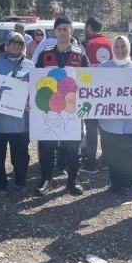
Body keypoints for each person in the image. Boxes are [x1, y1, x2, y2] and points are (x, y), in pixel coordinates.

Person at [32, 16, 88, 197]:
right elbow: (36, 80)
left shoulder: (80, 56)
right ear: (55, 32)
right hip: (49, 108)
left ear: (72, 32)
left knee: (73, 147)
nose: (63, 32)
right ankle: (46, 179)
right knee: (47, 146)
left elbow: (89, 80)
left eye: (66, 29)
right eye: (60, 29)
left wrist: (83, 86)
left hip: (73, 108)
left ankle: (72, 180)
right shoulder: (45, 54)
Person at [0, 32, 34, 196]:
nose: (16, 45)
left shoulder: (30, 65)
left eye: (20, 43)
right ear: (7, 43)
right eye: (13, 42)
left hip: (20, 120)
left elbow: (35, 89)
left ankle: (20, 181)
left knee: (21, 154)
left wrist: (30, 102)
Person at [98, 36, 132, 197]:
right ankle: (115, 182)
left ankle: (126, 184)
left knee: (129, 155)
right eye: (117, 46)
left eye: (123, 46)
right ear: (112, 48)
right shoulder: (103, 67)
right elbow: (94, 89)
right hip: (109, 122)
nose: (120, 50)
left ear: (128, 47)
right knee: (111, 153)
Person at [79, 17, 112, 174]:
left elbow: (80, 68)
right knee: (106, 127)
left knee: (91, 127)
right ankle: (106, 159)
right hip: (108, 91)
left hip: (90, 92)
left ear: (89, 28)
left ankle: (91, 162)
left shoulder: (85, 45)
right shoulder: (111, 43)